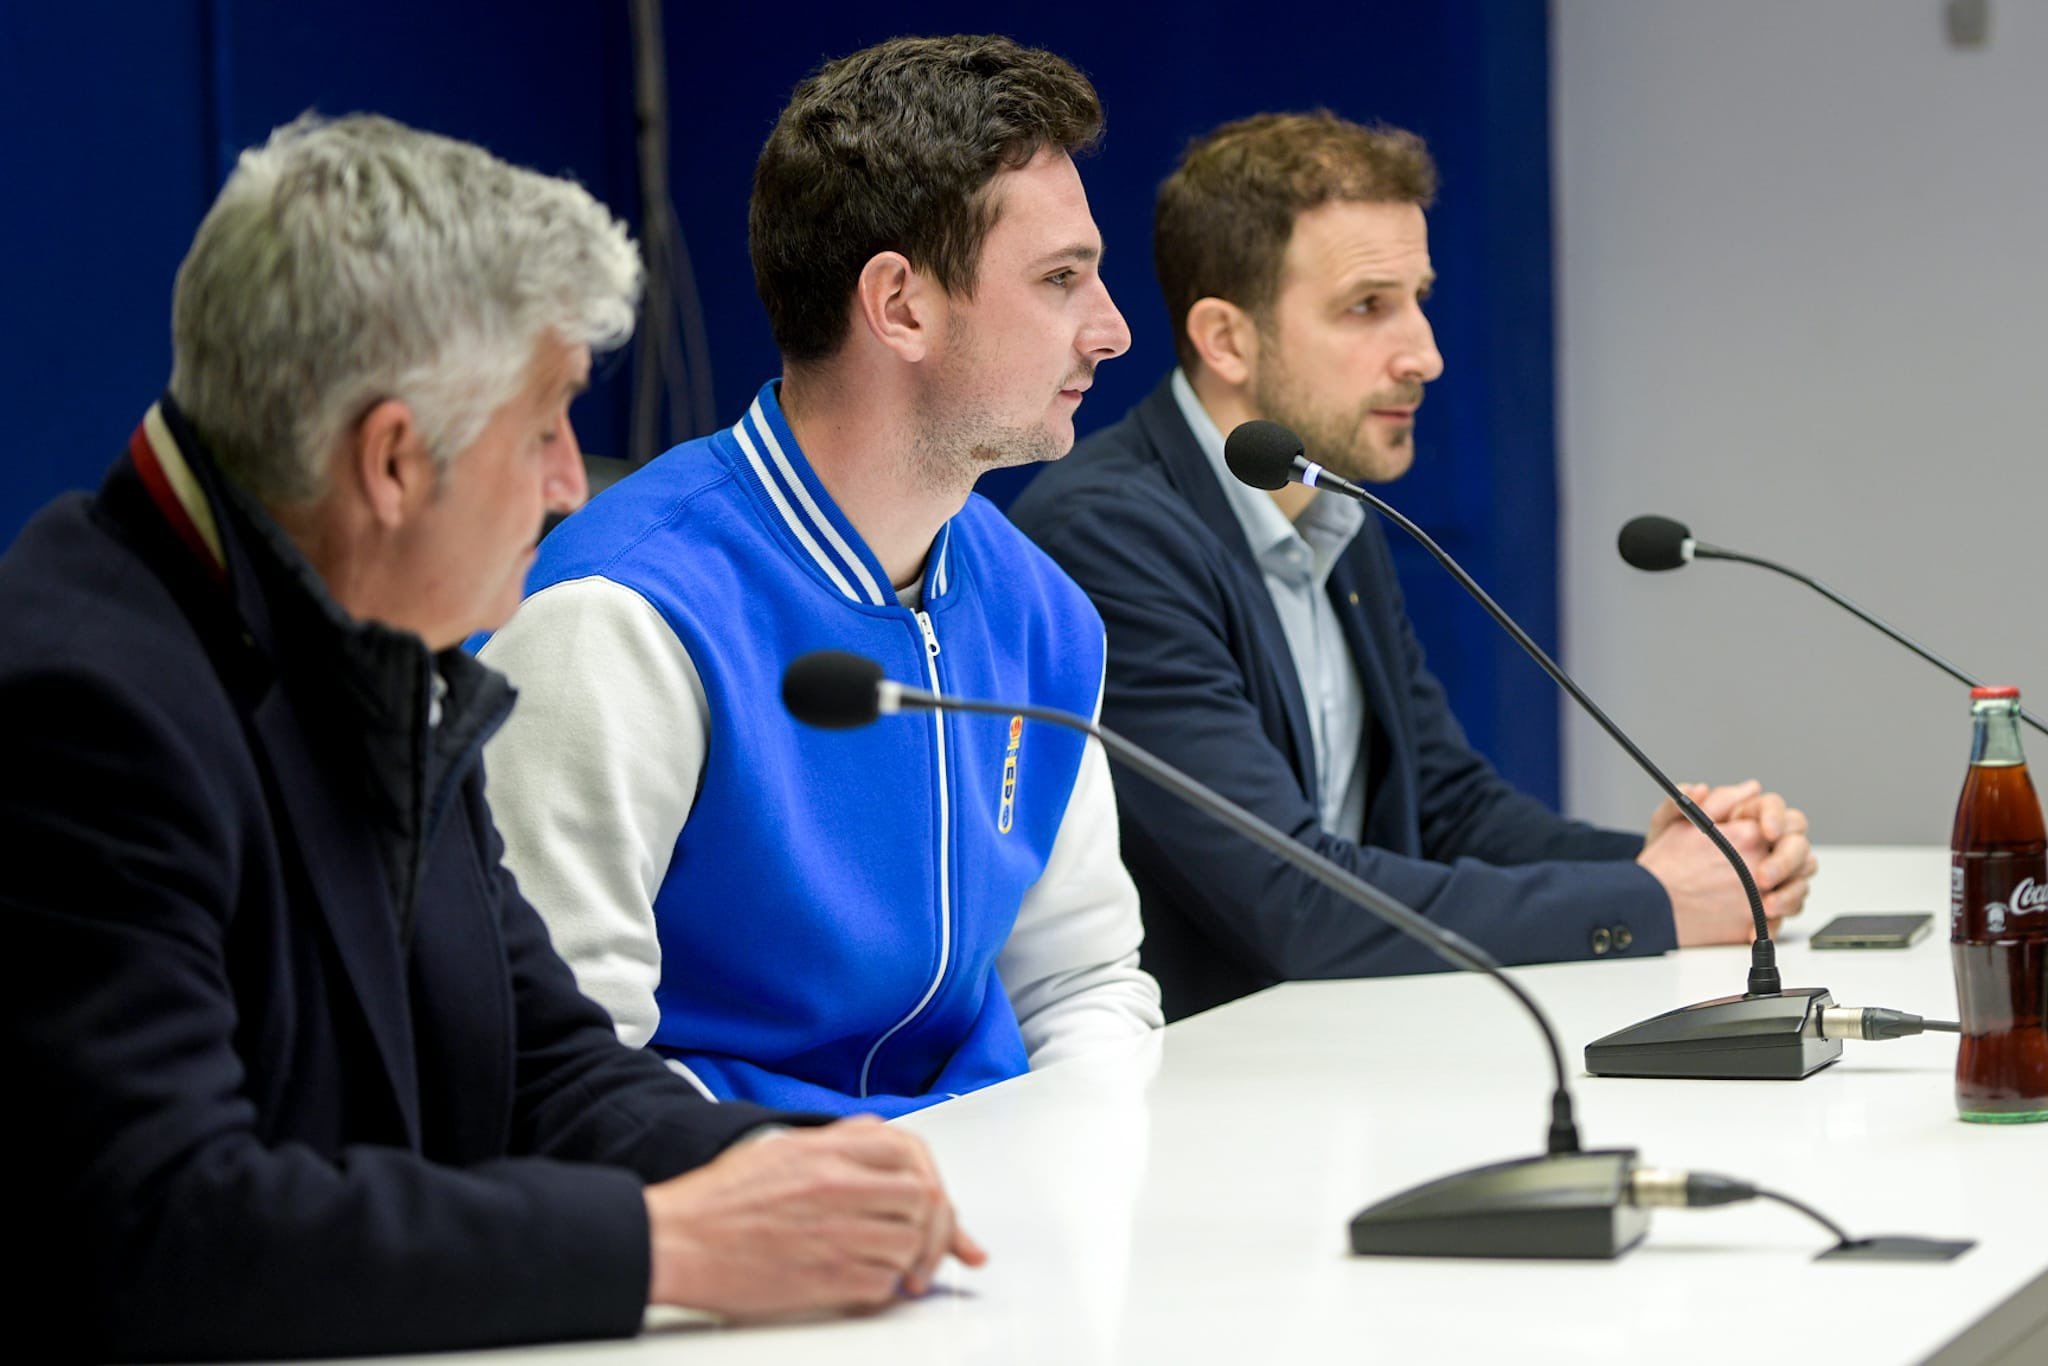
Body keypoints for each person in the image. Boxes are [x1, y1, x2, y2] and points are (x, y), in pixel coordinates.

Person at [0, 114, 982, 1363]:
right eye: (546, 426)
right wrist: (669, 1247)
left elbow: (542, 1067)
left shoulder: (366, 632)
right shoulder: (79, 709)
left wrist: (798, 1177)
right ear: (395, 464)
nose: (574, 481)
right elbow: (166, 1227)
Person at [480, 35, 1162, 1118]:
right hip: (743, 1229)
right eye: (1059, 280)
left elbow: (1080, 983)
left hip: (990, 1208)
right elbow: (548, 1071)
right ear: (898, 306)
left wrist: (1073, 1168)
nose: (1112, 329)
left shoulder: (1044, 617)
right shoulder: (616, 618)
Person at [1008, 112, 1816, 1020]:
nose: (1425, 355)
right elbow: (1293, 903)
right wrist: (1654, 902)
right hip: (1201, 1083)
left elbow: (1446, 807)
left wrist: (1680, 865)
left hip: (1341, 1048)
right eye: (1367, 308)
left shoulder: (1330, 506)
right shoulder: (1111, 537)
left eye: (1419, 298)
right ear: (1226, 339)